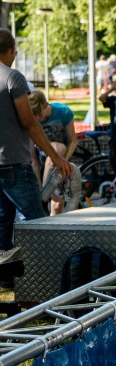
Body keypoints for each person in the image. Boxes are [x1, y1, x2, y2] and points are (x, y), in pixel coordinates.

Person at [0, 30, 70, 262]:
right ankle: (47, 274)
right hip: (14, 164)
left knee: (3, 222)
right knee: (36, 222)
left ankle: (6, 278)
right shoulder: (13, 77)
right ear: (11, 50)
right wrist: (56, 157)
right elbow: (29, 123)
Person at [28, 90, 78, 215]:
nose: (38, 119)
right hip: (42, 157)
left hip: (60, 159)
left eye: (40, 115)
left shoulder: (63, 112)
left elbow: (73, 142)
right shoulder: (31, 120)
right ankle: (43, 194)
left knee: (57, 203)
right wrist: (38, 185)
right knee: (54, 152)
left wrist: (64, 161)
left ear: (46, 105)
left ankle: (55, 228)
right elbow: (33, 158)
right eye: (35, 116)